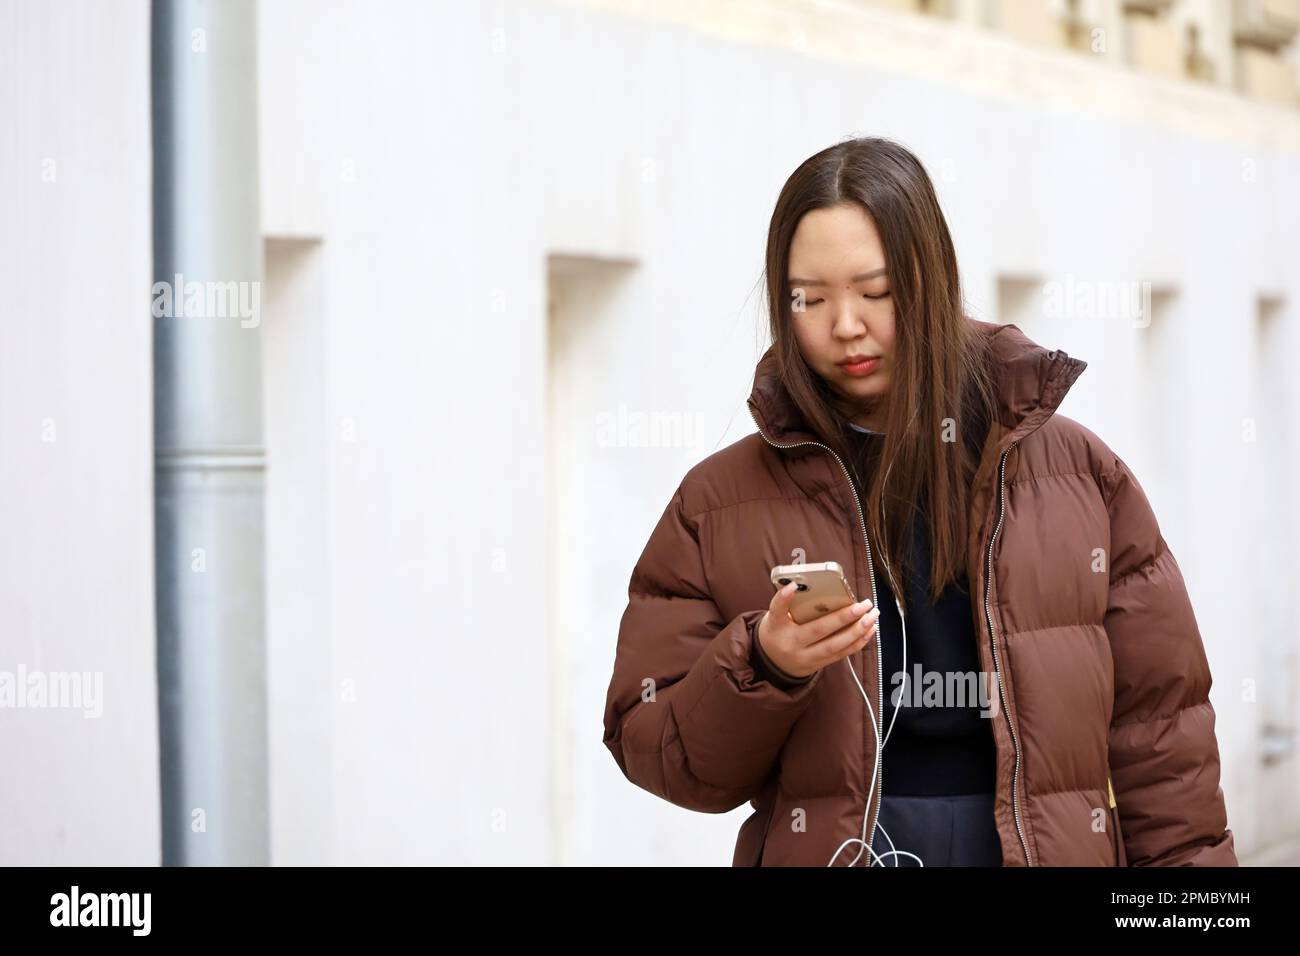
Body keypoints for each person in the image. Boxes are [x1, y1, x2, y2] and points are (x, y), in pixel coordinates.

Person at [601, 136, 1237, 867]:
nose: (845, 326)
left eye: (876, 292)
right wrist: (764, 664)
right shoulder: (718, 502)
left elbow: (1164, 737)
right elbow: (660, 751)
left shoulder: (1077, 474)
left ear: (930, 279)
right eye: (810, 298)